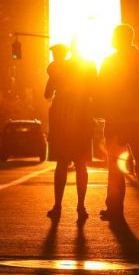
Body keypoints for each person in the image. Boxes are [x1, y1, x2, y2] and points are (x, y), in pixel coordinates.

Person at [95, 24, 139, 220]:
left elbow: (101, 90)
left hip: (116, 120)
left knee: (115, 165)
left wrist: (100, 111)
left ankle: (115, 208)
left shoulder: (109, 62)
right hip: (138, 120)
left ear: (118, 38)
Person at [44, 43, 96, 220]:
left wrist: (53, 74)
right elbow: (94, 90)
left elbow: (47, 93)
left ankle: (58, 206)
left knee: (61, 164)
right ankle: (81, 207)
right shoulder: (88, 67)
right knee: (81, 164)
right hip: (81, 120)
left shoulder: (57, 68)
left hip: (62, 122)